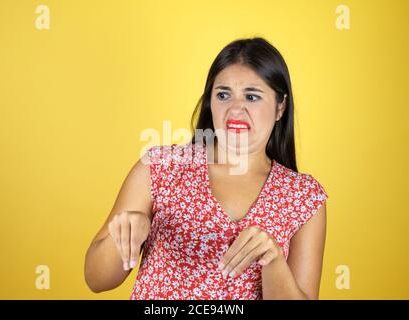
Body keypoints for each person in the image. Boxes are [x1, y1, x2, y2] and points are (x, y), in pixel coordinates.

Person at [84, 37, 328, 299]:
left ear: (281, 106)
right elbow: (96, 279)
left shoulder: (303, 197)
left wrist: (274, 261)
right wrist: (125, 237)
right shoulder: (159, 168)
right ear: (210, 101)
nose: (235, 109)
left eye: (252, 96)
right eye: (223, 94)